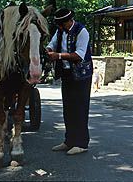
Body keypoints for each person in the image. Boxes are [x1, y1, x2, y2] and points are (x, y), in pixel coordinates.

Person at [46, 8, 93, 155]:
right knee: (68, 109)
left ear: (67, 21)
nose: (59, 27)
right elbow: (52, 44)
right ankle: (69, 141)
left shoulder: (82, 31)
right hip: (67, 74)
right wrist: (47, 49)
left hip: (81, 75)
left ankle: (82, 143)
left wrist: (58, 56)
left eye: (61, 24)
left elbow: (79, 55)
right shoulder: (60, 31)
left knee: (80, 108)